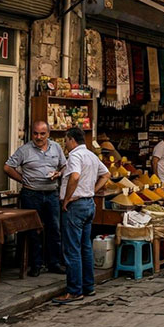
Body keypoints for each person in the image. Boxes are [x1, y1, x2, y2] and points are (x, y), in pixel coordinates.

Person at [52, 127, 109, 304]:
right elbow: (106, 174)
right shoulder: (91, 155)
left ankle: (75, 291)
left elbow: (75, 177)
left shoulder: (75, 156)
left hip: (76, 206)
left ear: (71, 140)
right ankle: (88, 286)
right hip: (89, 204)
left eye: (66, 141)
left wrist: (67, 199)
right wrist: (92, 190)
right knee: (85, 247)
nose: (65, 145)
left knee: (72, 249)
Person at [3, 121, 67, 277]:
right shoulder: (25, 150)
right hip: (31, 194)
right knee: (33, 230)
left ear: (48, 134)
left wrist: (59, 174)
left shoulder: (56, 148)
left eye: (42, 134)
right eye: (35, 133)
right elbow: (7, 167)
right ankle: (35, 264)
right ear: (31, 134)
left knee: (54, 228)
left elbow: (64, 165)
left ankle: (54, 263)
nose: (39, 137)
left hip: (51, 193)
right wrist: (22, 179)